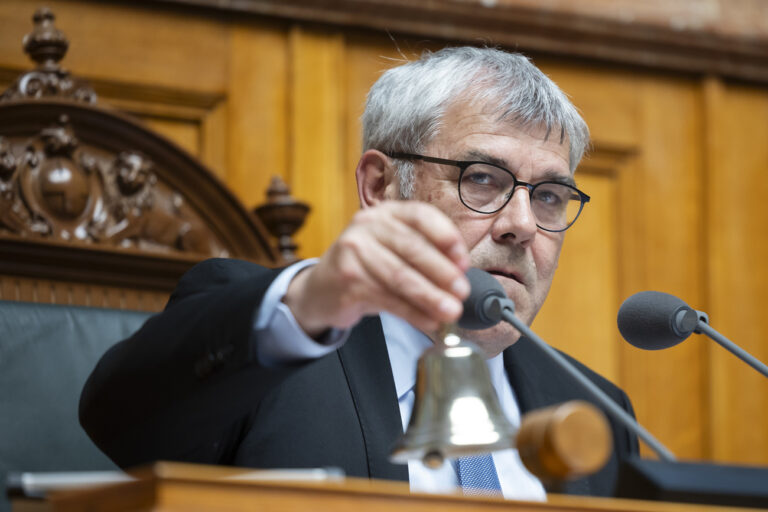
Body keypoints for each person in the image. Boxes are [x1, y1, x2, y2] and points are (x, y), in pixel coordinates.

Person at [80, 46, 638, 500]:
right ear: (380, 187)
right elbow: (120, 419)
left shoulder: (595, 408)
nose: (521, 225)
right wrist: (306, 306)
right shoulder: (270, 347)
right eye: (483, 179)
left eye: (548, 196)